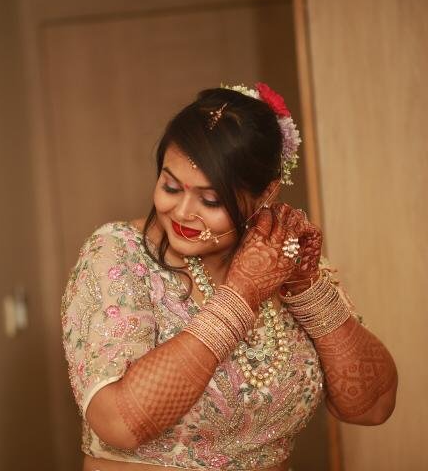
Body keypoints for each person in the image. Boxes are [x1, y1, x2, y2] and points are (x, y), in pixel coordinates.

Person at [61, 83, 398, 471]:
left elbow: (373, 408)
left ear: (266, 194)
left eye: (210, 200)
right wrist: (241, 294)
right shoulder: (119, 253)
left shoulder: (281, 262)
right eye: (170, 186)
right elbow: (118, 422)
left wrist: (307, 288)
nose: (182, 212)